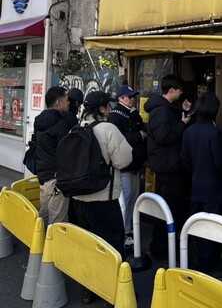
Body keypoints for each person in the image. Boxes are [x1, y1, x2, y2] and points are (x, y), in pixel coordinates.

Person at [72, 90, 132, 304]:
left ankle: (89, 289)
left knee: (88, 245)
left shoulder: (76, 127)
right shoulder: (108, 129)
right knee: (112, 245)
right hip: (103, 200)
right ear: (103, 108)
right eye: (108, 106)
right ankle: (114, 292)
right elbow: (124, 160)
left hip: (78, 200)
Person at [144, 73, 192, 260]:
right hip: (167, 167)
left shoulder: (165, 108)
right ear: (172, 90)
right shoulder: (161, 110)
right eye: (179, 90)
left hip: (168, 165)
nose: (181, 93)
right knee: (166, 209)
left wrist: (183, 111)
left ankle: (166, 246)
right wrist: (182, 124)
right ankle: (160, 248)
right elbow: (164, 136)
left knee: (169, 207)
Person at [181, 91, 222, 277]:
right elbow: (219, 163)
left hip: (195, 186)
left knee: (196, 226)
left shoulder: (189, 131)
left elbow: (185, 160)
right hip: (213, 188)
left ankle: (196, 261)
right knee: (212, 227)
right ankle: (208, 265)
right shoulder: (215, 134)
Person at [108, 84, 147, 248]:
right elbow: (119, 138)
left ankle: (129, 229)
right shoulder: (116, 115)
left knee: (133, 199)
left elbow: (142, 127)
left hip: (135, 164)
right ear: (120, 98)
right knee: (125, 199)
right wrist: (139, 135)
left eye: (133, 97)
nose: (132, 100)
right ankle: (123, 232)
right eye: (129, 97)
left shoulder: (131, 113)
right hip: (123, 165)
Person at [34, 86, 76, 227]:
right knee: (57, 224)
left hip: (43, 178)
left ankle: (37, 240)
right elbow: (68, 152)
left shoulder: (40, 121)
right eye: (66, 100)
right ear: (58, 103)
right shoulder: (61, 124)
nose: (69, 103)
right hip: (56, 180)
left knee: (44, 217)